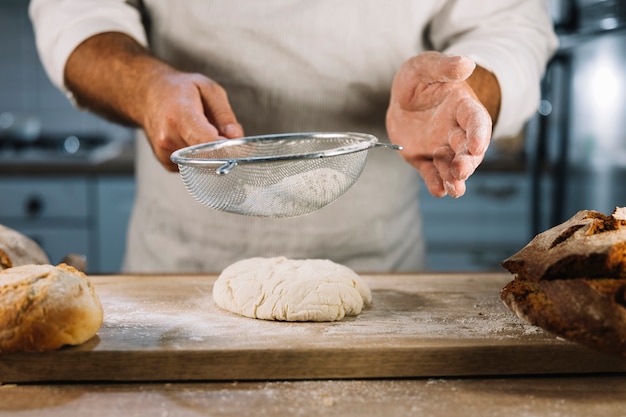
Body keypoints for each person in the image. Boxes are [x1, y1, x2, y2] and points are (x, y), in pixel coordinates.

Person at [29, 1, 558, 273]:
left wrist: (462, 91)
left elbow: (514, 25)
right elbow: (74, 9)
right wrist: (147, 87)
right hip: (176, 268)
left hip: (377, 266)